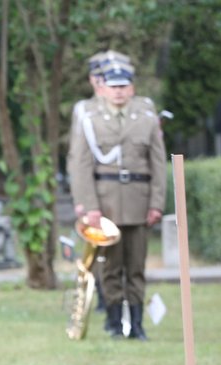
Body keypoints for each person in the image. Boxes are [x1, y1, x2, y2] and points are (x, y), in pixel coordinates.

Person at [70, 62, 166, 340]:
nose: (119, 92)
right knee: (110, 267)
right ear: (103, 90)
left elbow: (158, 164)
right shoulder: (91, 122)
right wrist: (90, 207)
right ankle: (114, 322)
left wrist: (156, 203)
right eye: (113, 87)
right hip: (105, 204)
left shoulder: (147, 119)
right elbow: (81, 167)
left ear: (132, 88)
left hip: (139, 201)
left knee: (136, 266)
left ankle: (136, 324)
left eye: (123, 86)